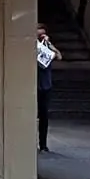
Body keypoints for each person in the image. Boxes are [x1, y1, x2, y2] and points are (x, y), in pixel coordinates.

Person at [34, 24, 59, 153]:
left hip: (45, 85)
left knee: (44, 115)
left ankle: (43, 144)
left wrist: (49, 44)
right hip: (34, 85)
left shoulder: (47, 47)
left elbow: (59, 55)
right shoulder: (33, 47)